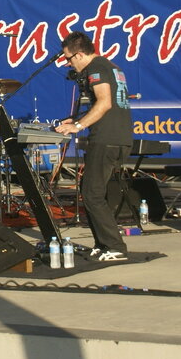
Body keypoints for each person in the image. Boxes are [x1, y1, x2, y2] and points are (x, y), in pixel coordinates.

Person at [55, 32, 133, 261]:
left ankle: (115, 246)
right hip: (115, 137)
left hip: (107, 138)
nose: (69, 64)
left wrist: (78, 125)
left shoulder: (96, 68)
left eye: (69, 59)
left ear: (79, 55)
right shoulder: (110, 66)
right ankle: (103, 243)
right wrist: (75, 118)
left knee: (92, 194)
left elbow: (105, 102)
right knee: (92, 191)